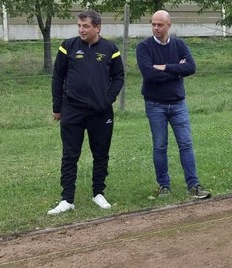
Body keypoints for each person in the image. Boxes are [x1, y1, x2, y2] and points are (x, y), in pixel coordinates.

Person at [48, 10, 125, 215]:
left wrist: (107, 100)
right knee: (70, 155)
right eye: (79, 26)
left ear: (97, 28)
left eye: (86, 26)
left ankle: (98, 193)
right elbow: (57, 77)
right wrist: (58, 107)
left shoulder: (110, 49)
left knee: (101, 154)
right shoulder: (68, 46)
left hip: (101, 112)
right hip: (72, 110)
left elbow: (118, 77)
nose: (81, 30)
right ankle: (67, 199)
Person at [136, 10, 211, 199]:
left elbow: (191, 67)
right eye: (153, 24)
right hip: (155, 104)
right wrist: (177, 70)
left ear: (169, 25)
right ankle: (163, 185)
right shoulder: (144, 47)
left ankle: (193, 185)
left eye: (160, 24)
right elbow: (149, 74)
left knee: (186, 144)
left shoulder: (179, 45)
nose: (156, 28)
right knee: (160, 146)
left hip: (178, 104)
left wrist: (166, 67)